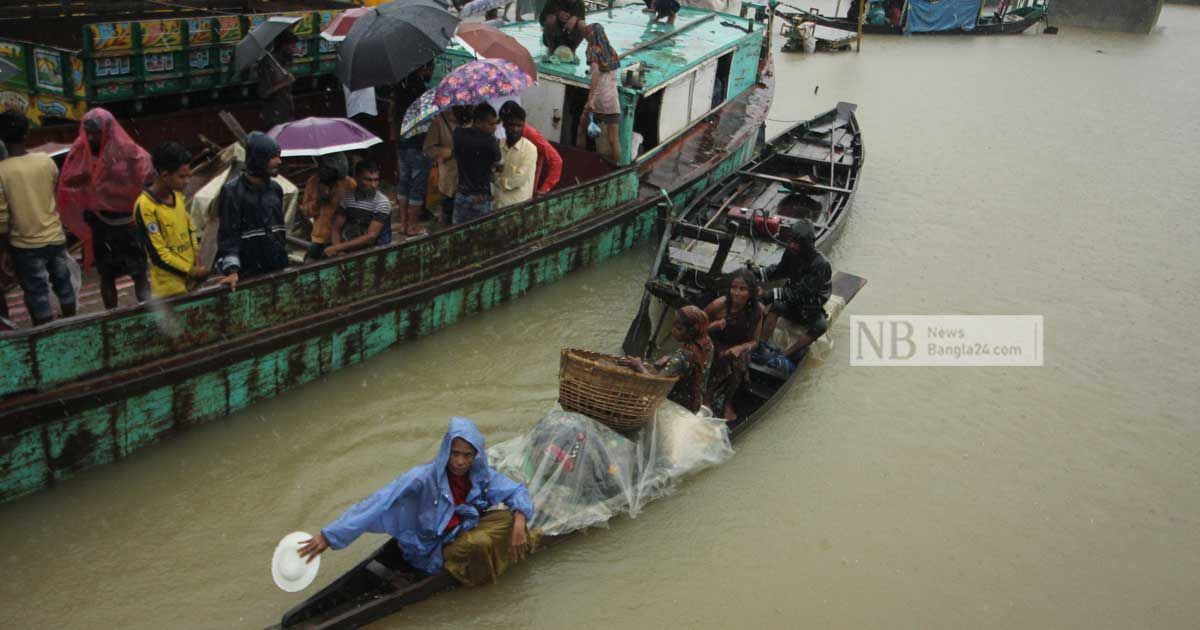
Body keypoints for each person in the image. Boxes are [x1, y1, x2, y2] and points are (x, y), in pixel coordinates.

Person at [297, 417, 537, 587]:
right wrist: (329, 536)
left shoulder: (479, 475)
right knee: (481, 542)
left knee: (510, 517)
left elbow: (516, 492)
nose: (461, 462)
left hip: (460, 529)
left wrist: (518, 520)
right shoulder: (420, 479)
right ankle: (474, 570)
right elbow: (374, 505)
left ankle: (518, 541)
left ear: (476, 456)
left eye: (467, 455)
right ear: (446, 451)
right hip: (430, 547)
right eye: (455, 453)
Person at [56, 108, 154, 309]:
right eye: (88, 133)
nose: (91, 138)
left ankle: (149, 313)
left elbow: (145, 175)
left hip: (128, 223)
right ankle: (111, 318)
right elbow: (68, 179)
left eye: (95, 133)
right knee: (107, 274)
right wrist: (90, 178)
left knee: (139, 273)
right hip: (102, 223)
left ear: (108, 131)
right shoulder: (81, 149)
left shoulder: (127, 150)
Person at [0, 110, 77, 326]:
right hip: (54, 236)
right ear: (27, 134)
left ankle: (44, 333)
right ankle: (72, 323)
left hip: (24, 244)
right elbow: (53, 192)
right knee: (64, 285)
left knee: (36, 292)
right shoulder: (45, 161)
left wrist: (4, 249)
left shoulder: (1, 171)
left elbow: (3, 216)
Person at [215, 132, 288, 291]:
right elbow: (228, 235)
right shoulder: (232, 192)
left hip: (277, 268)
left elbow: (279, 232)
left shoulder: (276, 189)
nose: (279, 161)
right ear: (259, 159)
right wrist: (232, 270)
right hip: (248, 273)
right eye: (273, 157)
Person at [133, 142, 206, 299]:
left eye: (189, 176)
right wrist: (191, 272)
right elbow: (158, 255)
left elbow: (190, 230)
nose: (187, 181)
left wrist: (196, 264)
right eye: (182, 176)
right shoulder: (145, 207)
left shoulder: (177, 196)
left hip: (192, 283)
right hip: (169, 290)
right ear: (165, 175)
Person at [758, 221, 832, 361]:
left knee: (820, 326)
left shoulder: (821, 265)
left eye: (796, 243)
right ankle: (761, 344)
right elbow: (780, 270)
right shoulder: (791, 253)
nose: (791, 245)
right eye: (790, 241)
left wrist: (769, 294)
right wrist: (758, 273)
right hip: (793, 301)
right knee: (776, 305)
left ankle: (785, 354)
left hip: (810, 306)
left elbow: (801, 293)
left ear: (806, 245)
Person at [618, 305, 714, 414]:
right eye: (674, 325)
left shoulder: (682, 357)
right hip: (696, 402)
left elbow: (656, 385)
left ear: (691, 332)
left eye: (679, 328)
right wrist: (670, 356)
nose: (673, 330)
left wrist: (638, 366)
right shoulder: (707, 343)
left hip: (679, 408)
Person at [704, 269, 764, 420]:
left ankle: (727, 402)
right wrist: (714, 326)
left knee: (740, 362)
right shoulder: (719, 305)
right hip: (715, 342)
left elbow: (755, 341)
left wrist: (741, 348)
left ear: (750, 292)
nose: (736, 293)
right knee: (720, 358)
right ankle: (708, 397)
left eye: (742, 289)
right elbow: (694, 326)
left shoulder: (757, 311)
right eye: (734, 288)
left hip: (737, 346)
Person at [392, 62, 434, 237]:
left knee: (404, 182)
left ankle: (403, 224)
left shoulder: (400, 86)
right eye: (431, 69)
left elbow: (395, 114)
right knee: (417, 185)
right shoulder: (421, 91)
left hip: (403, 142)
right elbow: (427, 119)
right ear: (423, 69)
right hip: (418, 144)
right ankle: (412, 226)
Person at [324, 161, 393, 257]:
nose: (373, 185)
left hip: (375, 251)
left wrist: (337, 248)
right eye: (368, 180)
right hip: (348, 248)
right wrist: (338, 250)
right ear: (356, 178)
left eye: (376, 180)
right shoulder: (347, 197)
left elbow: (371, 237)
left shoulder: (382, 203)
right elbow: (336, 227)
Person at [579, 20, 623, 164]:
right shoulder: (611, 51)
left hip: (598, 100)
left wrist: (591, 99)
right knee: (613, 139)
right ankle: (615, 168)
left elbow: (596, 74)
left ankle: (580, 160)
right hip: (612, 101)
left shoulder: (592, 49)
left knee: (581, 129)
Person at [451, 104, 502, 225]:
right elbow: (500, 165)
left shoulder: (458, 133)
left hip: (461, 194)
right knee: (482, 235)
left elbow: (455, 154)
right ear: (478, 122)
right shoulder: (490, 141)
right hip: (480, 197)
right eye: (491, 124)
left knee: (458, 232)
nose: (494, 128)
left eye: (496, 123)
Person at [498, 101, 561, 195]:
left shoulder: (531, 134)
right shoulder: (506, 137)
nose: (503, 126)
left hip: (526, 190)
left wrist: (545, 188)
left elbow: (556, 160)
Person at [300, 152, 354, 261]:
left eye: (326, 167)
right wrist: (318, 201)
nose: (321, 170)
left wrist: (336, 195)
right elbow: (306, 212)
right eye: (321, 165)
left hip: (343, 237)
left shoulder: (348, 183)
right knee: (308, 264)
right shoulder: (313, 182)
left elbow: (354, 210)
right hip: (319, 239)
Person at [423, 105, 472, 227]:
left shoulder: (474, 118)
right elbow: (428, 149)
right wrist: (448, 152)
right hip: (450, 182)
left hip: (471, 182)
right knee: (449, 222)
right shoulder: (440, 121)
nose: (467, 106)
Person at [494, 104, 538, 209]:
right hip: (497, 204)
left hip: (517, 207)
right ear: (504, 125)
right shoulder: (498, 145)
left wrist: (497, 180)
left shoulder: (530, 149)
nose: (515, 129)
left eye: (519, 126)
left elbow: (518, 179)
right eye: (511, 125)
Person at [257, 30, 298, 131]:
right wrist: (285, 82)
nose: (294, 49)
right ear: (284, 46)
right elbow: (263, 93)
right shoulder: (268, 63)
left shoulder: (282, 62)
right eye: (292, 46)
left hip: (286, 113)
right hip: (274, 116)